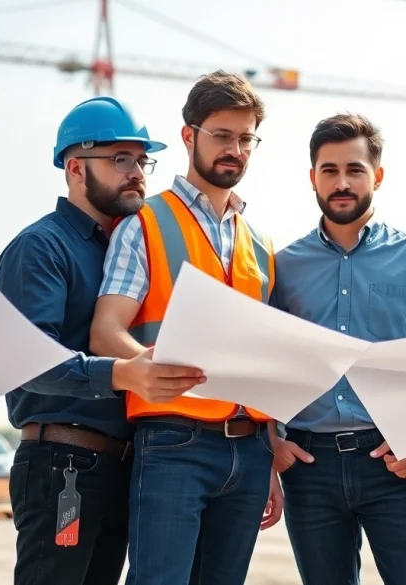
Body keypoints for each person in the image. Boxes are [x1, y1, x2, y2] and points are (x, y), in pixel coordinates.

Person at [89, 70, 282, 585]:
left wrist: (269, 448)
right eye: (222, 135)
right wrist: (142, 367)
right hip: (174, 440)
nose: (234, 149)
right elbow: (107, 330)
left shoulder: (260, 243)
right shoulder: (145, 224)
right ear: (189, 136)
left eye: (246, 139)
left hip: (250, 447)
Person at [0, 95, 192, 585]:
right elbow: (28, 361)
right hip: (65, 467)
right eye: (120, 159)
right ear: (76, 168)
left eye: (142, 160)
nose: (137, 172)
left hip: (119, 466)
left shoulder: (128, 254)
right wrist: (123, 372)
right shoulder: (41, 247)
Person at [268, 113, 406, 585]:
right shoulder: (282, 267)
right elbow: (266, 365)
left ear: (376, 175)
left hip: (396, 463)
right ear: (312, 177)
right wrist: (271, 443)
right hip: (309, 470)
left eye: (354, 170)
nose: (341, 182)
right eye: (329, 170)